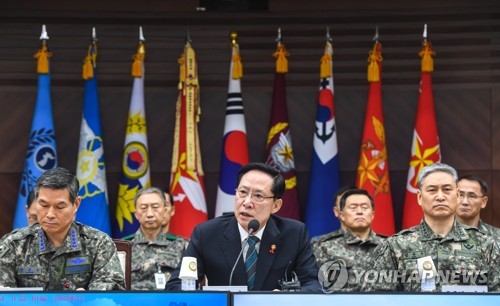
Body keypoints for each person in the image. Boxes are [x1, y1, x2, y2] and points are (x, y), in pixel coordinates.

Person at [165, 162, 321, 292]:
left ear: (276, 205)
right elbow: (176, 286)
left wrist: (286, 298)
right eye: (243, 192)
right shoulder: (207, 233)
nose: (246, 202)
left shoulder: (294, 234)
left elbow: (312, 285)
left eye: (258, 196)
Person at [363, 163, 500, 292]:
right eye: (432, 190)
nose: (440, 197)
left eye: (447, 190)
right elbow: (380, 299)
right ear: (420, 197)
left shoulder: (486, 244)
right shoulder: (396, 246)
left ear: (457, 195)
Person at [0, 167, 125, 290]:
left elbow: (111, 291)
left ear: (76, 204)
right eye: (43, 205)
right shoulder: (14, 244)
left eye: (59, 207)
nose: (50, 214)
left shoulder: (99, 244)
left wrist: (89, 297)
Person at [312, 189, 385, 292]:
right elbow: (314, 285)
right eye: (353, 208)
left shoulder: (389, 245)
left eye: (365, 207)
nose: (359, 212)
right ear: (342, 215)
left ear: (373, 215)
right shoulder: (324, 246)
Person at [131, 187, 188, 290]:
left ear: (165, 211)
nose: (150, 214)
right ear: (136, 214)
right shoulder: (123, 247)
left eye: (155, 207)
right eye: (143, 208)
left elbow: (190, 284)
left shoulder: (183, 245)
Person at [457, 175, 500, 244]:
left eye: (472, 196)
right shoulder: (438, 233)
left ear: (483, 202)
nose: (465, 202)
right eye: (460, 195)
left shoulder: (497, 237)